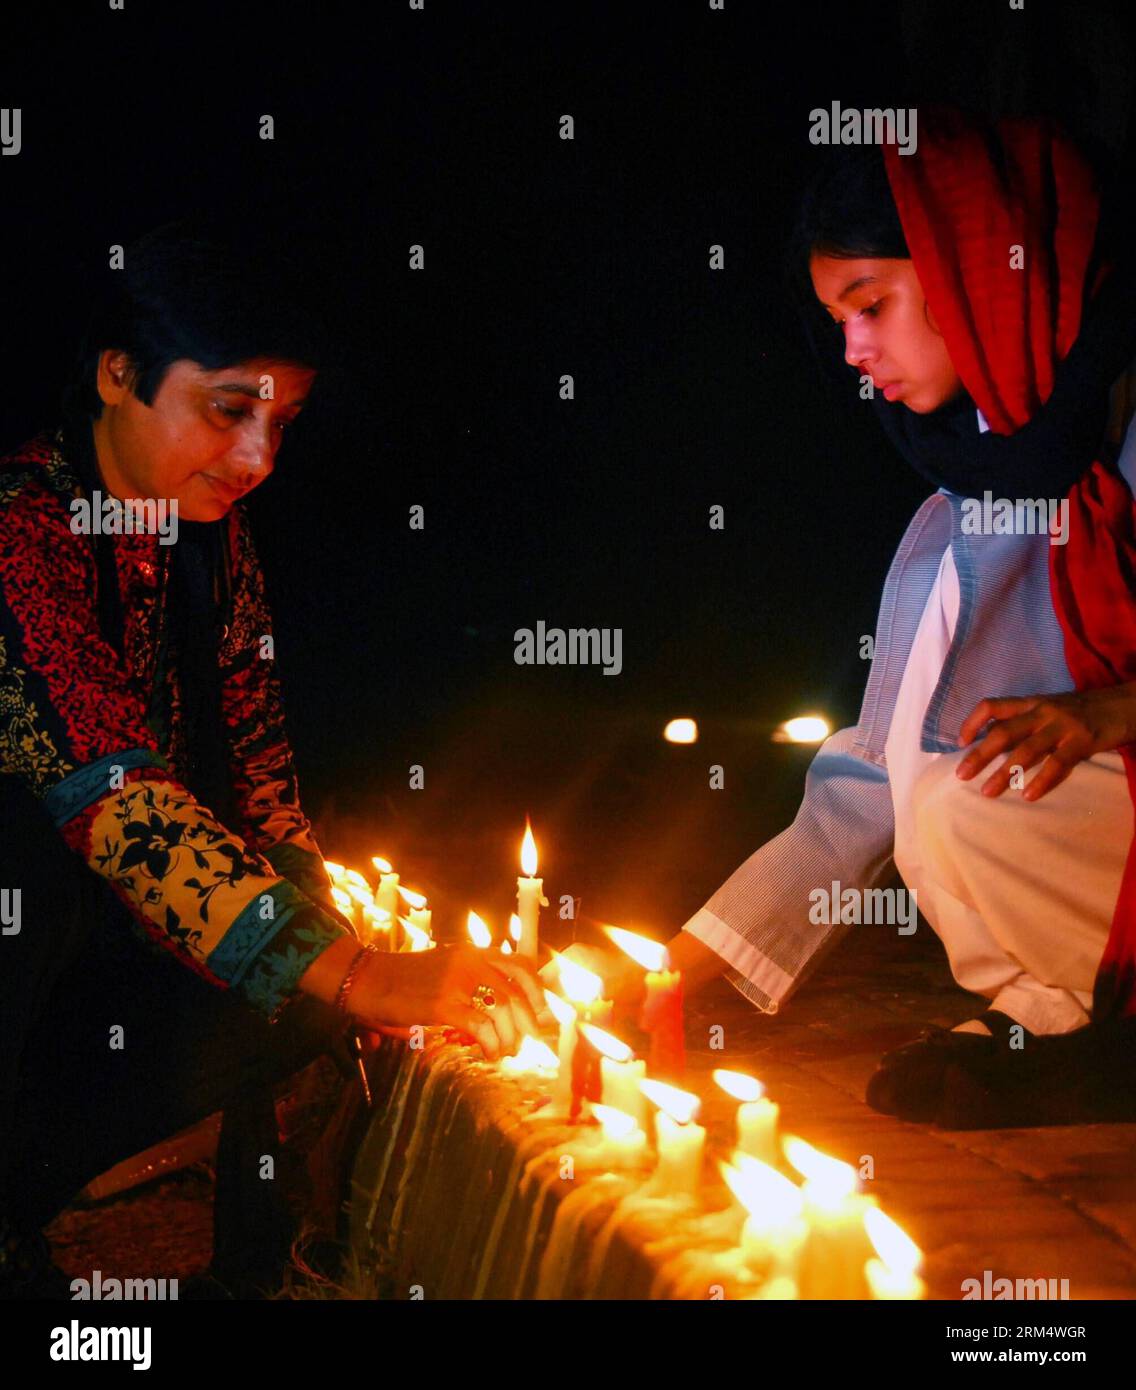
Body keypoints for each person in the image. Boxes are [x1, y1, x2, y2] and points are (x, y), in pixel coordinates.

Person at [0, 220, 544, 1300]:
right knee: (30, 861)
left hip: (107, 936)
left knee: (298, 964)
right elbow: (119, 806)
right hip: (40, 909)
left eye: (281, 422)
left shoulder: (208, 538)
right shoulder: (22, 530)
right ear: (119, 374)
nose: (258, 458)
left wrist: (342, 949)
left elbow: (255, 768)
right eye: (229, 410)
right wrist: (362, 970)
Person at [575, 110, 1136, 1130]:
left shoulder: (1124, 453)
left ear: (978, 268)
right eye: (837, 320)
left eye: (869, 304)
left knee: (974, 795)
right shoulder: (945, 523)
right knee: (941, 780)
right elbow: (864, 789)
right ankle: (1055, 1020)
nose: (852, 350)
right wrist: (663, 972)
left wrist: (1105, 710)